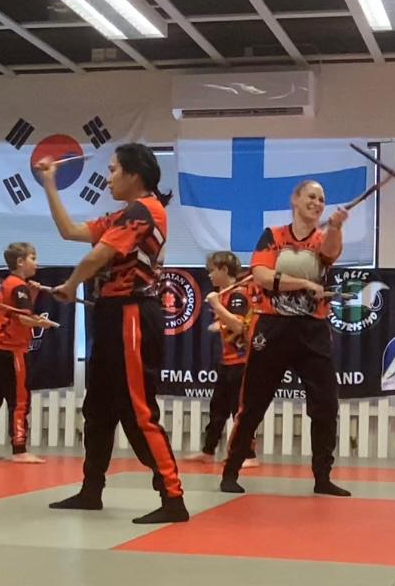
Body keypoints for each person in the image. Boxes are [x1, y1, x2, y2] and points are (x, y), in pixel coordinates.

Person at [38, 144, 188, 525]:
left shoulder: (145, 211)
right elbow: (70, 231)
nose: (108, 178)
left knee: (139, 411)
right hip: (111, 315)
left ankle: (173, 497)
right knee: (99, 409)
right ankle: (91, 490)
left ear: (134, 174)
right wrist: (50, 185)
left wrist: (71, 285)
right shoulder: (123, 215)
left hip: (132, 315)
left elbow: (98, 256)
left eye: (113, 169)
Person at [219, 180, 351, 498]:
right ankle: (231, 470)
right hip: (273, 327)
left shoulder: (323, 237)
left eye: (322, 199)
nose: (317, 202)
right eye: (311, 196)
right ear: (295, 199)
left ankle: (322, 476)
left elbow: (330, 253)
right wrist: (303, 284)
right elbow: (262, 275)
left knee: (325, 404)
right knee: (253, 402)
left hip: (312, 329)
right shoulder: (273, 236)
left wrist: (335, 227)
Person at [0, 242, 56, 463]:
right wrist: (40, 323)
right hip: (11, 350)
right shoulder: (19, 286)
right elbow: (23, 318)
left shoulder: (12, 284)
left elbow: (17, 313)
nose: (36, 263)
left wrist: (33, 294)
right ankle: (19, 449)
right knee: (19, 400)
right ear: (20, 262)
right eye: (33, 258)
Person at [188, 251, 258, 467]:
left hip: (241, 362)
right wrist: (219, 321)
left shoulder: (237, 295)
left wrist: (216, 306)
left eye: (212, 271)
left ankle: (248, 455)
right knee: (217, 408)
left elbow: (238, 325)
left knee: (239, 411)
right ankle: (208, 451)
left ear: (225, 270)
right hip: (227, 361)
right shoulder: (225, 295)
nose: (209, 275)